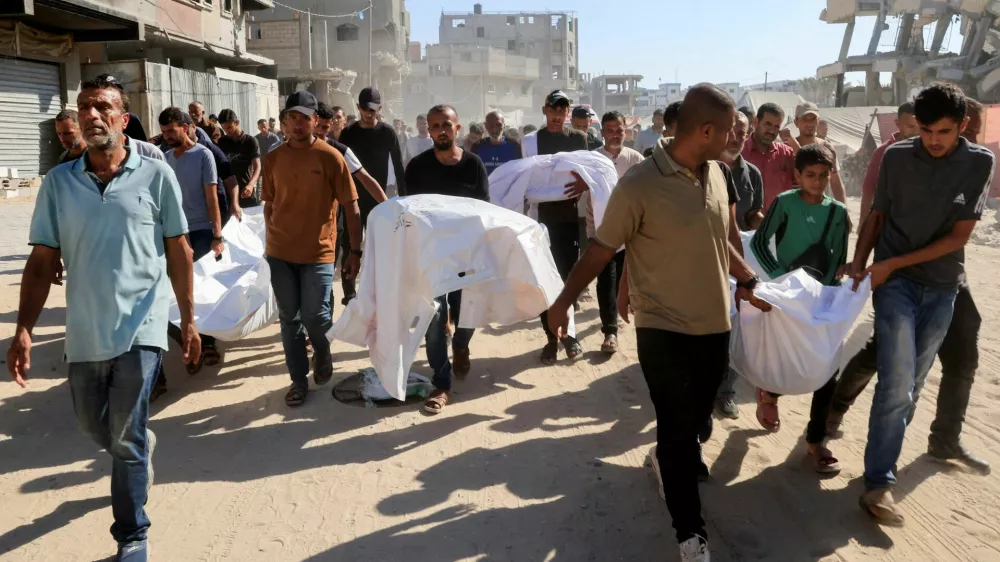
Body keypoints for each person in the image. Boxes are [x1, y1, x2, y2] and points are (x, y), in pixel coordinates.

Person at [547, 84, 770, 562]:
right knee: (673, 421)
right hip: (661, 325)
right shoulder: (640, 184)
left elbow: (719, 238)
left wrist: (747, 277)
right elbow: (603, 249)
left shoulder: (716, 173)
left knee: (699, 418)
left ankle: (678, 454)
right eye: (729, 129)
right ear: (705, 130)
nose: (736, 137)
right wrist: (564, 301)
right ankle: (691, 534)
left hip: (715, 321)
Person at [8, 76, 197, 562]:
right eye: (85, 107)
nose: (92, 115)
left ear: (123, 117)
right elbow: (41, 261)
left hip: (143, 324)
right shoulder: (59, 184)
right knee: (97, 428)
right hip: (87, 328)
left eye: (103, 107)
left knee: (126, 435)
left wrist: (189, 321)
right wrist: (23, 329)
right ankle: (138, 445)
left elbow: (178, 250)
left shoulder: (156, 174)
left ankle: (132, 536)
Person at [845, 83, 993, 525]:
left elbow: (959, 237)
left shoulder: (979, 162)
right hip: (896, 285)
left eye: (943, 131)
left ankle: (880, 456)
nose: (932, 140)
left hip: (943, 287)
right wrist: (861, 263)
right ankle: (878, 483)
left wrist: (893, 263)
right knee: (896, 383)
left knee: (914, 384)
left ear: (963, 126)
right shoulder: (896, 157)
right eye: (926, 130)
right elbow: (878, 215)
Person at [748, 144, 850, 472]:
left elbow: (837, 259)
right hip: (788, 296)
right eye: (810, 175)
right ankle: (770, 395)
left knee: (827, 366)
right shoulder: (784, 203)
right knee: (784, 351)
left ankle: (816, 440)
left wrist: (830, 300)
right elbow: (760, 243)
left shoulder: (838, 213)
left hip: (820, 298)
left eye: (824, 175)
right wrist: (781, 280)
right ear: (797, 175)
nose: (818, 182)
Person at [262, 91, 363, 407]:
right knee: (289, 318)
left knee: (316, 316)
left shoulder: (331, 157)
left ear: (315, 120)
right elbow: (269, 204)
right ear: (285, 121)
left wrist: (355, 252)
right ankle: (297, 381)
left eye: (305, 117)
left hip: (319, 252)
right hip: (280, 252)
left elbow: (352, 206)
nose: (298, 123)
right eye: (292, 117)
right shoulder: (274, 158)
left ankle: (321, 349)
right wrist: (273, 239)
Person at [402, 105, 489, 414]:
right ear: (429, 129)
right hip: (431, 255)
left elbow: (484, 211)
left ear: (457, 128)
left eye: (446, 125)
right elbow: (407, 213)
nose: (440, 130)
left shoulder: (474, 165)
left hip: (465, 254)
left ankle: (462, 344)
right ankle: (442, 381)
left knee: (467, 311)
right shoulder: (416, 167)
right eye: (435, 125)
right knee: (435, 317)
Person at [158, 108, 225, 383]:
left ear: (185, 127)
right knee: (175, 290)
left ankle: (205, 342)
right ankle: (187, 339)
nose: (167, 137)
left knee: (198, 288)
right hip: (174, 233)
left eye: (171, 131)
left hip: (200, 230)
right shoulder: (164, 158)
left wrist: (217, 235)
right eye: (163, 133)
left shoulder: (203, 155)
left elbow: (212, 197)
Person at [526, 90, 589, 364]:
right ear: (545, 109)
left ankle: (570, 336)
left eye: (563, 111)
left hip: (568, 220)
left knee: (566, 281)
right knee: (543, 281)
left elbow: (591, 171)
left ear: (567, 113)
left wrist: (586, 184)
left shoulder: (578, 139)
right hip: (540, 221)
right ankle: (551, 339)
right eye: (554, 110)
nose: (558, 116)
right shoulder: (531, 141)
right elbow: (524, 175)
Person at [712, 111, 765, 419]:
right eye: (731, 131)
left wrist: (767, 225)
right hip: (703, 259)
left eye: (742, 133)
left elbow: (751, 216)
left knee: (737, 325)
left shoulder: (752, 174)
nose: (735, 137)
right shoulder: (701, 167)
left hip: (737, 260)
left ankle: (726, 390)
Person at [338, 87, 405, 304]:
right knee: (349, 244)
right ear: (358, 108)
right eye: (365, 109)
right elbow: (340, 167)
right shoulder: (348, 134)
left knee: (380, 244)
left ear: (380, 109)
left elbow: (398, 165)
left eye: (373, 109)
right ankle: (349, 293)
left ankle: (378, 290)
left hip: (379, 199)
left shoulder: (387, 133)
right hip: (352, 198)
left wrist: (404, 199)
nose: (369, 114)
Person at [591, 111, 643, 354]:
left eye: (619, 130)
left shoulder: (636, 161)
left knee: (628, 280)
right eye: (609, 130)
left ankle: (629, 316)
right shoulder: (591, 160)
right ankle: (610, 330)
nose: (614, 135)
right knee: (606, 280)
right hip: (602, 234)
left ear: (626, 131)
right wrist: (591, 231)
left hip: (631, 235)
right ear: (602, 132)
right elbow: (585, 198)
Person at [857, 103, 920, 227]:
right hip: (890, 224)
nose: (916, 132)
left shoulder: (929, 150)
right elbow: (869, 187)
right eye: (911, 126)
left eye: (921, 127)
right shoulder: (883, 152)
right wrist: (864, 221)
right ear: (898, 124)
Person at [742, 102, 797, 211]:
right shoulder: (740, 152)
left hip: (781, 224)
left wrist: (793, 141)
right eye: (768, 124)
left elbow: (809, 167)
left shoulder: (786, 153)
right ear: (756, 122)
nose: (772, 131)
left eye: (777, 127)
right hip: (747, 225)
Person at [793, 102, 847, 206]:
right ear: (796, 122)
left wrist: (844, 213)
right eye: (805, 119)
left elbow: (836, 183)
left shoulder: (827, 148)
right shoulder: (787, 148)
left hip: (821, 209)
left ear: (818, 121)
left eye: (813, 119)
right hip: (794, 210)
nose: (809, 124)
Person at [216, 109, 262, 209]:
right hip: (227, 193)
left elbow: (257, 166)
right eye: (224, 129)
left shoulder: (250, 141)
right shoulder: (222, 142)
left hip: (245, 192)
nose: (227, 132)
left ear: (236, 123)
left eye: (229, 127)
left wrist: (251, 185)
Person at [473, 110, 521, 174]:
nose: (494, 129)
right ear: (486, 126)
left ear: (504, 126)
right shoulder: (477, 146)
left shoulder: (515, 146)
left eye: (498, 125)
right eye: (491, 125)